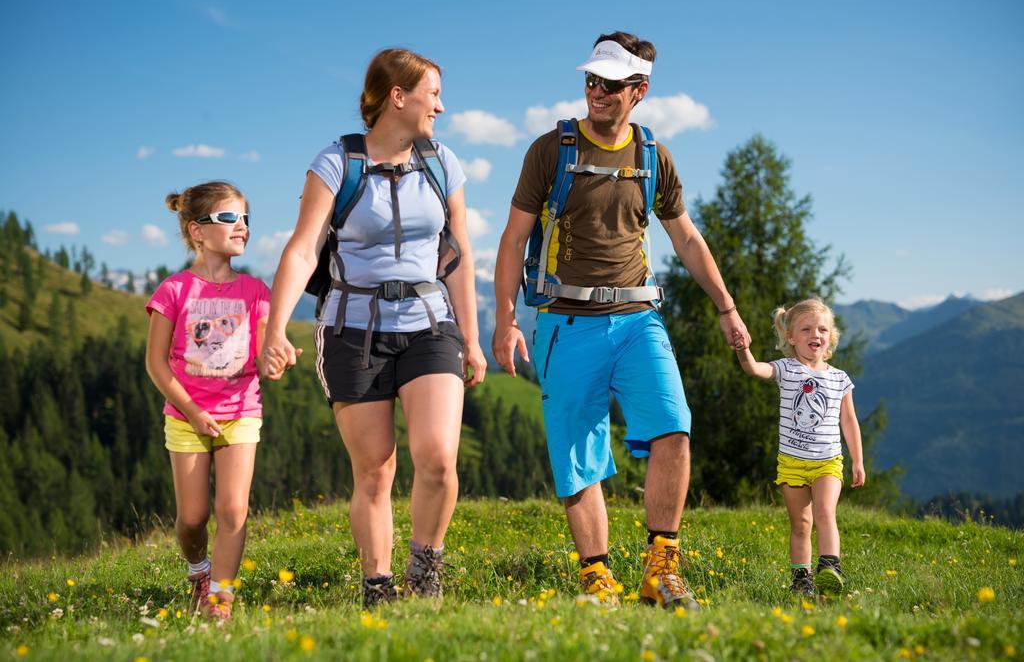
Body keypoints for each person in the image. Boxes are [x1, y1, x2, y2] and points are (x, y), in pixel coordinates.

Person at [492, 32, 750, 609]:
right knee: (578, 451)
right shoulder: (549, 150)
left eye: (611, 84)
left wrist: (727, 308)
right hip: (565, 320)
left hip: (639, 316)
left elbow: (685, 236)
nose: (597, 92)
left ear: (640, 91)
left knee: (674, 428)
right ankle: (596, 576)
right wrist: (506, 318)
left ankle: (661, 569)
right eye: (591, 81)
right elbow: (512, 242)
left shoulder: (653, 157)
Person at [261, 48, 486, 607]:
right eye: (433, 92)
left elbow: (458, 253)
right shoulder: (335, 163)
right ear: (398, 96)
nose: (441, 104)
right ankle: (378, 586)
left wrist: (473, 339)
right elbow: (302, 249)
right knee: (376, 471)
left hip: (430, 324)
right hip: (350, 330)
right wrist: (276, 328)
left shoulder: (443, 163)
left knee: (437, 458)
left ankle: (425, 569)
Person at [145, 181, 273, 621]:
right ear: (196, 231)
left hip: (241, 412)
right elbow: (156, 364)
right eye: (228, 218)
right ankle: (198, 569)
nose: (241, 227)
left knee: (234, 509)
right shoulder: (174, 291)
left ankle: (219, 602)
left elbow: (265, 348)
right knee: (194, 517)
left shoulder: (256, 291)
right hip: (186, 416)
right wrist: (194, 412)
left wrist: (279, 357)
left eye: (245, 219)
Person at [732, 298, 865, 595]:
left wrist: (857, 460)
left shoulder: (840, 379)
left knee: (824, 513)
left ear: (830, 336)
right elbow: (754, 369)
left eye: (821, 329)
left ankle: (830, 569)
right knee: (801, 524)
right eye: (805, 329)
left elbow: (849, 421)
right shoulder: (787, 369)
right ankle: (801, 581)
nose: (814, 335)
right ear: (791, 337)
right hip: (791, 463)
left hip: (828, 462)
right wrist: (743, 350)